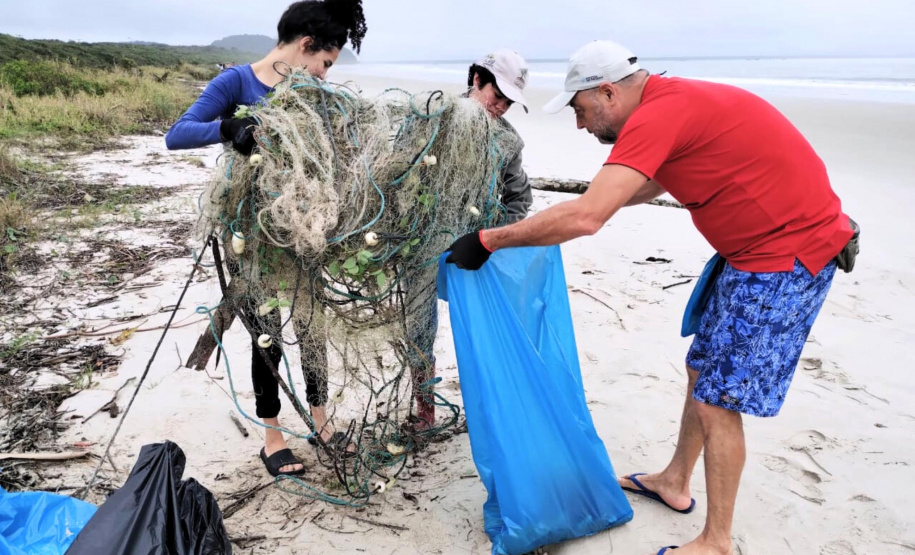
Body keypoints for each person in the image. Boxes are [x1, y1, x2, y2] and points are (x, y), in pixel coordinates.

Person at [445, 40, 857, 555]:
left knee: (719, 402)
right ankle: (674, 481)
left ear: (608, 92)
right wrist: (602, 200)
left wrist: (489, 240)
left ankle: (717, 542)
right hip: (749, 253)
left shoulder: (658, 114)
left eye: (580, 109)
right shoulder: (669, 103)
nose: (580, 124)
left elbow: (587, 218)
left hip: (786, 258)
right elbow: (651, 182)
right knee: (701, 372)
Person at [165, 0, 367, 477]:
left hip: (304, 230)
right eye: (325, 63)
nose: (325, 75)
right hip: (251, 235)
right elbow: (177, 134)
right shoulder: (236, 82)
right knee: (266, 333)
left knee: (313, 328)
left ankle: (321, 422)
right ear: (305, 45)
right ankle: (272, 437)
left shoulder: (313, 94)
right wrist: (228, 127)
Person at [405, 49, 533, 432]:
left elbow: (519, 199)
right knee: (418, 326)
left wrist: (491, 239)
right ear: (477, 80)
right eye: (498, 96)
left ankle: (491, 408)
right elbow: (400, 172)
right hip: (423, 243)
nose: (501, 107)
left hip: (473, 248)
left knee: (481, 326)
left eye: (509, 102)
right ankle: (425, 411)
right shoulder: (434, 117)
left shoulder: (508, 142)